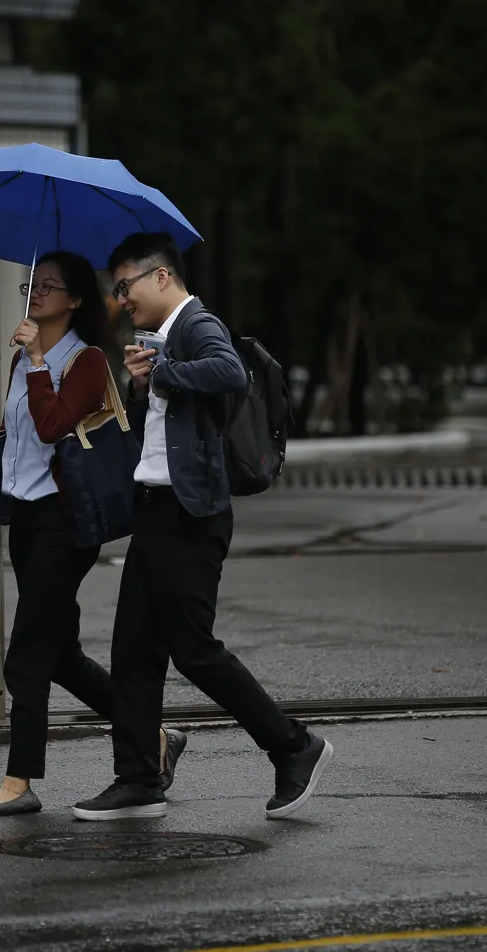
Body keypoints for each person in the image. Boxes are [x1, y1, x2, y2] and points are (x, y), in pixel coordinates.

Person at [71, 233, 331, 822]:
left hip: (190, 517)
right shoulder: (164, 339)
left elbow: (228, 372)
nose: (121, 299)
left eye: (125, 285)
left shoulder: (195, 324)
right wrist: (144, 384)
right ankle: (138, 778)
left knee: (193, 649)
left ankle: (294, 746)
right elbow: (163, 429)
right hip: (159, 511)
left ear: (161, 277)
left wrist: (162, 371)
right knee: (134, 649)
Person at [0, 250, 187, 817]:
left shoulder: (85, 362)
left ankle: (19, 783)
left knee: (26, 657)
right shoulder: (24, 360)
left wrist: (37, 359)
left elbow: (53, 424)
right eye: (32, 286)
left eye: (49, 286)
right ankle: (154, 737)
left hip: (67, 525)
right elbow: (14, 440)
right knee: (60, 657)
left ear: (76, 299)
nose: (35, 294)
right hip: (28, 520)